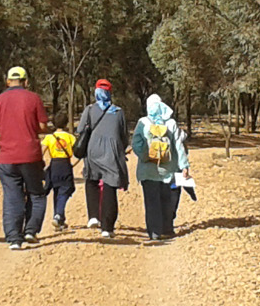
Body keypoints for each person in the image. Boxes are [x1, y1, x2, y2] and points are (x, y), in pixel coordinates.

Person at [0, 66, 50, 250]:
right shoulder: (34, 98)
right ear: (26, 81)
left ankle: (14, 239)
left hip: (7, 157)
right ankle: (30, 231)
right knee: (37, 194)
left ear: (7, 81)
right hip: (31, 155)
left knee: (12, 197)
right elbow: (43, 126)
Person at [72, 79, 128, 238]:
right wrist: (120, 149)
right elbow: (124, 135)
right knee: (110, 186)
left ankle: (93, 216)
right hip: (112, 152)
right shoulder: (118, 112)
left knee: (91, 180)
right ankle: (107, 228)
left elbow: (81, 129)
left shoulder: (89, 110)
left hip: (93, 151)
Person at [132, 92, 190, 242]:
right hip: (167, 170)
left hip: (148, 170)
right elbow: (178, 146)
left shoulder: (143, 122)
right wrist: (184, 166)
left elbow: (135, 143)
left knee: (151, 202)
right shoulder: (171, 124)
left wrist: (145, 156)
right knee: (166, 200)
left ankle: (154, 232)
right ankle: (167, 229)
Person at [40, 119, 78, 229]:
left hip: (54, 165)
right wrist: (73, 164)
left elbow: (41, 152)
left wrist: (41, 166)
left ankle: (60, 219)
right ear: (66, 124)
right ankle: (58, 215)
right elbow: (79, 153)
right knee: (65, 190)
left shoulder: (49, 137)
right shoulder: (70, 137)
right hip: (65, 164)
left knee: (57, 191)